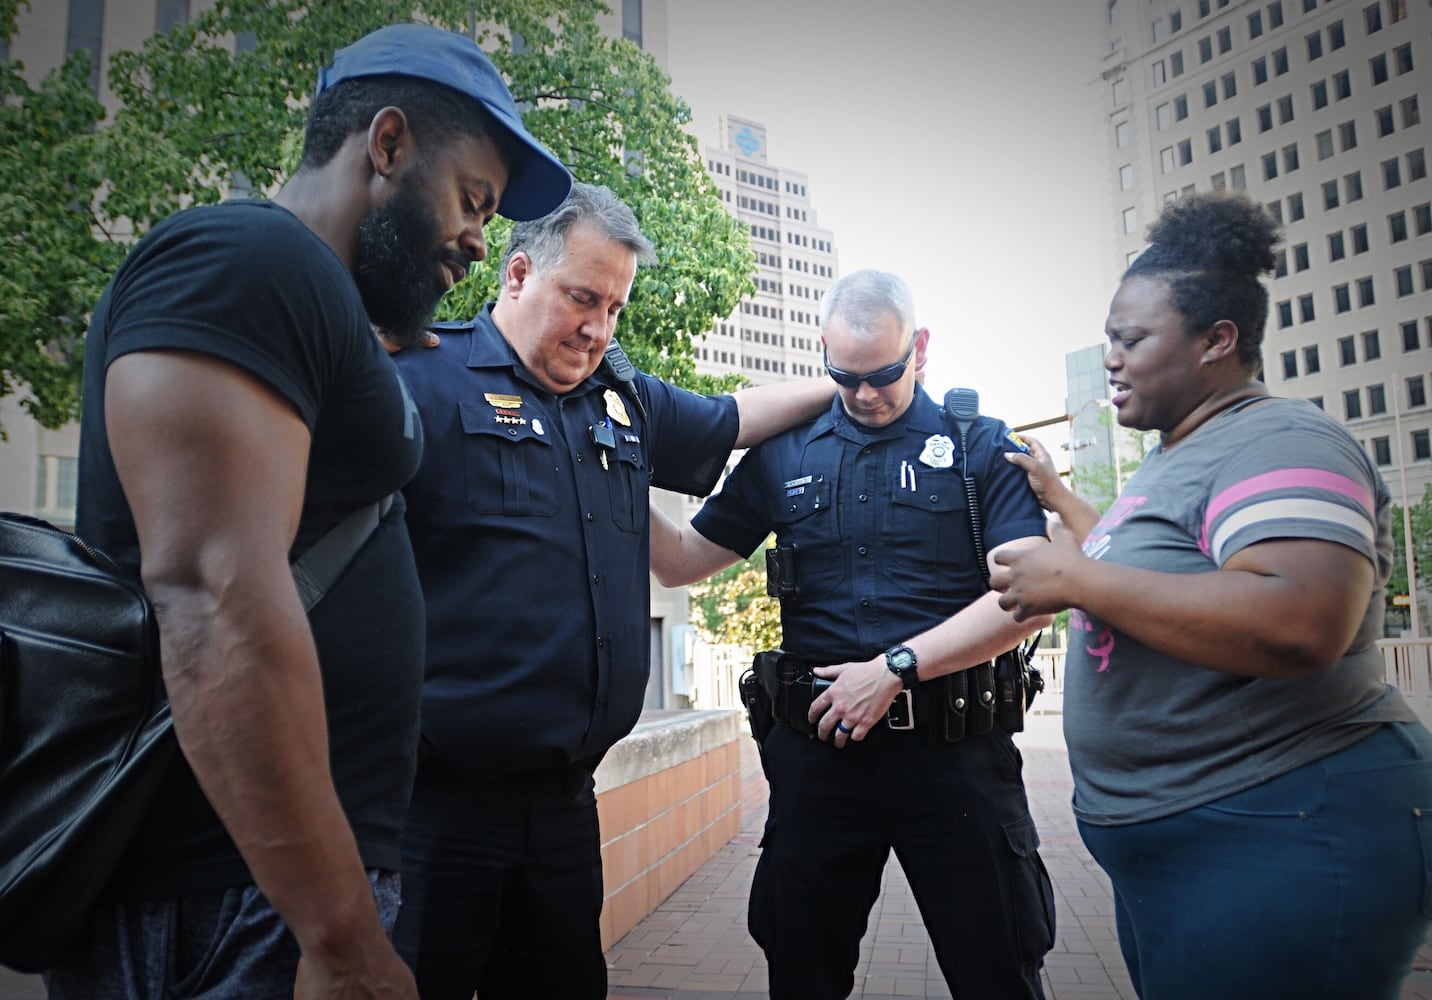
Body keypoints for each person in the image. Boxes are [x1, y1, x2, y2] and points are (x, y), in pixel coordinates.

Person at [44, 23, 573, 1000]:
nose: (477, 238)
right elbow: (212, 601)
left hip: (267, 885)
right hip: (232, 889)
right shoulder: (247, 257)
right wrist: (340, 939)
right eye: (473, 200)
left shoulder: (305, 294)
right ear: (387, 144)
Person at [388, 181, 837, 999]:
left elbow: (732, 418)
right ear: (518, 275)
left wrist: (852, 381)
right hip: (439, 811)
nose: (598, 330)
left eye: (616, 310)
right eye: (582, 299)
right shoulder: (423, 381)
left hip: (565, 808)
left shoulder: (621, 404)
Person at [990, 190, 1432, 1000]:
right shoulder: (1181, 454)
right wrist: (1063, 505)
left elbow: (1300, 619)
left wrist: (1075, 577)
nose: (1112, 359)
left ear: (1216, 341)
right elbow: (1161, 568)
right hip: (1204, 845)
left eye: (1131, 339)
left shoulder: (1278, 437)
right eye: (1107, 342)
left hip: (1287, 825)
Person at [648, 268, 1057, 999]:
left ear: (921, 348)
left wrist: (895, 668)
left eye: (885, 374)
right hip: (821, 761)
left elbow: (1028, 600)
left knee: (998, 968)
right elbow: (680, 562)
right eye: (846, 376)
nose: (866, 394)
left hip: (956, 757)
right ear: (823, 353)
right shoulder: (784, 453)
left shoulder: (981, 448)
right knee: (801, 970)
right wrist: (602, 463)